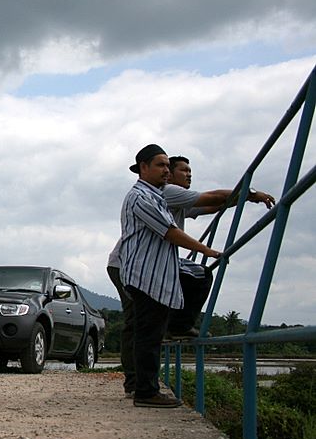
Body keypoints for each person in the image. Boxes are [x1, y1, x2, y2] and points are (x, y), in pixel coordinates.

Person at [108, 153, 275, 397]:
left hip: (153, 262)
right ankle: (137, 383)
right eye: (182, 170)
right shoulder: (167, 192)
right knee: (138, 322)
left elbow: (213, 205)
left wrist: (238, 200)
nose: (188, 175)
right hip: (128, 264)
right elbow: (211, 197)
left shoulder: (168, 198)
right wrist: (251, 194)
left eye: (188, 171)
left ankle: (176, 328)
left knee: (194, 279)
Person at [119, 144, 221, 408]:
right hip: (145, 276)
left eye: (167, 165)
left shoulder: (157, 197)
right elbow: (169, 232)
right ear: (143, 168)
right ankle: (145, 392)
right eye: (160, 165)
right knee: (147, 335)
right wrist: (206, 250)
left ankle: (147, 386)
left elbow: (206, 205)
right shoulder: (140, 197)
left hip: (156, 275)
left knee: (151, 332)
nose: (166, 170)